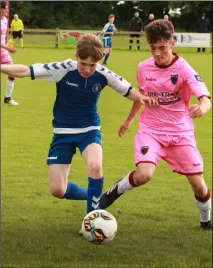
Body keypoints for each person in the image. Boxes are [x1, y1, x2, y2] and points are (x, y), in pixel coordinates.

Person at [0, 34, 158, 231]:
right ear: (75, 56)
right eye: (83, 64)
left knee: (95, 167)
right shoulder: (62, 69)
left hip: (89, 129)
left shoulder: (103, 74)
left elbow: (129, 91)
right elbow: (25, 70)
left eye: (92, 65)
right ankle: (94, 197)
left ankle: (91, 220)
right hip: (62, 133)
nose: (87, 69)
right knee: (57, 190)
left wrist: (142, 98)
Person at [99, 20, 212, 231]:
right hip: (151, 130)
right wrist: (129, 119)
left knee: (198, 185)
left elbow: (204, 96)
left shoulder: (184, 69)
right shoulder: (143, 67)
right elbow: (140, 96)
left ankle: (206, 220)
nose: (158, 53)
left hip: (180, 133)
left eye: (162, 48)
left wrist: (203, 106)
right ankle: (115, 191)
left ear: (172, 43)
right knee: (144, 175)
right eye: (153, 48)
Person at [1, 1, 19, 106]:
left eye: (7, 9)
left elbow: (4, 36)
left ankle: (7, 98)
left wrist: (8, 43)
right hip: (3, 49)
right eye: (5, 9)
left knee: (12, 72)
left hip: (2, 51)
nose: (7, 11)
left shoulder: (5, 20)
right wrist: (8, 48)